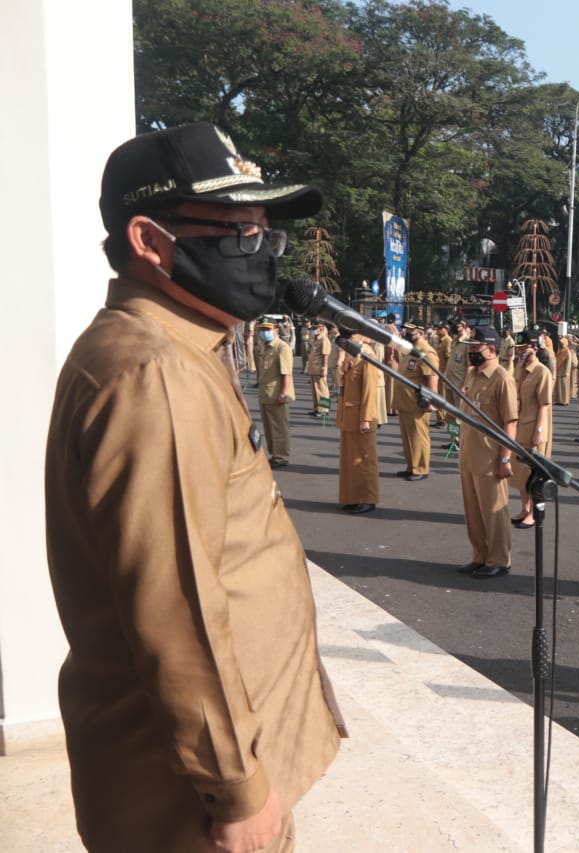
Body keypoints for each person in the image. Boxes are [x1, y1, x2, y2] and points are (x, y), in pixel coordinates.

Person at [46, 121, 342, 852]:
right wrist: (238, 793)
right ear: (149, 241)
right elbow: (175, 608)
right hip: (194, 799)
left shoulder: (182, 347)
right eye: (240, 231)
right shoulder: (156, 372)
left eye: (267, 231)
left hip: (208, 770)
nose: (265, 251)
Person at [457, 326, 518, 577]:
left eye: (476, 347)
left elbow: (510, 422)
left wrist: (505, 458)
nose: (471, 351)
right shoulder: (473, 375)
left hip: (490, 456)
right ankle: (480, 555)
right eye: (470, 347)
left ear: (491, 350)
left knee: (494, 512)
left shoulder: (502, 379)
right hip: (470, 454)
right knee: (473, 512)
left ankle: (499, 559)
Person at [511, 330, 553, 528]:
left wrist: (539, 431)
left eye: (524, 347)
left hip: (532, 427)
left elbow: (544, 404)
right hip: (519, 426)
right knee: (520, 473)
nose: (521, 351)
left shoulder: (542, 372)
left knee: (533, 474)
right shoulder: (519, 367)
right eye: (519, 347)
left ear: (535, 348)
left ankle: (535, 513)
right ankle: (525, 508)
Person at [337, 333, 381, 513]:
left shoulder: (367, 357)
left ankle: (367, 498)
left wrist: (366, 418)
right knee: (349, 460)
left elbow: (370, 391)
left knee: (364, 459)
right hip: (348, 415)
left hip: (360, 417)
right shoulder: (352, 356)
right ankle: (352, 496)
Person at [393, 323, 439, 481]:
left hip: (417, 403)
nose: (405, 333)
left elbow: (432, 377)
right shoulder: (410, 349)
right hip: (405, 402)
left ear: (420, 333)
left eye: (409, 331)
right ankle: (411, 466)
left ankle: (420, 468)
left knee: (418, 436)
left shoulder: (426, 352)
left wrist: (430, 401)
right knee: (408, 438)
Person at [257, 319, 295, 468]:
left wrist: (284, 393)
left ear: (276, 331)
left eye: (268, 329)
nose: (264, 332)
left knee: (279, 427)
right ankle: (274, 454)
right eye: (262, 329)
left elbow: (286, 374)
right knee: (268, 427)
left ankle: (281, 456)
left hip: (277, 393)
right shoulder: (266, 347)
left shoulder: (282, 348)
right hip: (266, 393)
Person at [441, 317, 470, 425]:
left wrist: (465, 385)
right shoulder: (454, 341)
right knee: (450, 412)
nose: (457, 328)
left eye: (459, 326)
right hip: (450, 381)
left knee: (459, 413)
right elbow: (450, 359)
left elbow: (469, 366)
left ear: (464, 327)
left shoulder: (467, 343)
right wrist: (445, 373)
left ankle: (459, 440)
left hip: (459, 383)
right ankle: (453, 440)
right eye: (456, 326)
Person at [305, 320, 332, 416]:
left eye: (316, 328)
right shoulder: (316, 340)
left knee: (322, 390)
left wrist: (324, 368)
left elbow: (325, 355)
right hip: (313, 368)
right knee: (315, 390)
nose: (314, 330)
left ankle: (324, 410)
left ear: (321, 328)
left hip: (319, 368)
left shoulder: (324, 340)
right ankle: (317, 408)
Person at [554, 336, 575, 405]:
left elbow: (569, 363)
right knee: (558, 387)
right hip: (558, 370)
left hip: (564, 371)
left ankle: (565, 401)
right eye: (560, 343)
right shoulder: (560, 350)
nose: (561, 344)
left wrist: (567, 372)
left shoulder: (567, 352)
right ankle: (558, 400)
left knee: (564, 387)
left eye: (562, 343)